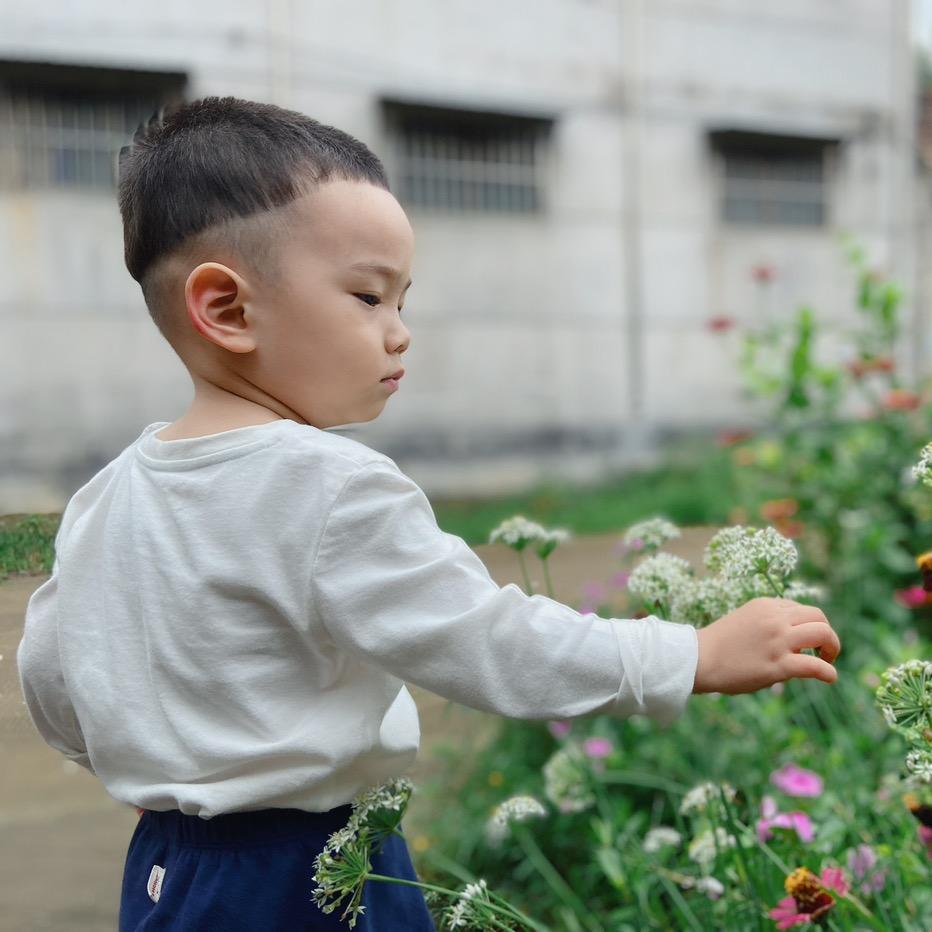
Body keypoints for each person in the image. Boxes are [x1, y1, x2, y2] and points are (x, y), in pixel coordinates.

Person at [16, 96, 842, 931]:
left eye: (402, 300)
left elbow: (53, 673)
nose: (400, 332)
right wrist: (688, 652)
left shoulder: (106, 494)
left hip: (166, 872)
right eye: (369, 298)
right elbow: (488, 639)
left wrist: (165, 773)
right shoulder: (327, 485)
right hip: (314, 874)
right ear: (227, 309)